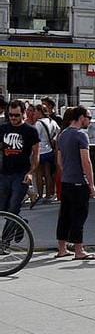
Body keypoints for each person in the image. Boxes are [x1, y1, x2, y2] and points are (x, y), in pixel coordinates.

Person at [56, 106, 95, 260]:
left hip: (66, 180)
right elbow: (86, 161)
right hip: (79, 182)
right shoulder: (81, 135)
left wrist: (67, 170)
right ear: (81, 117)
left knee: (65, 215)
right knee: (79, 216)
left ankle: (62, 248)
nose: (90, 121)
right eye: (89, 118)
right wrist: (91, 184)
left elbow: (59, 161)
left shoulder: (63, 134)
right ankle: (79, 250)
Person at [0, 100, 40, 247]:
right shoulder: (3, 128)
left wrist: (31, 172)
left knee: (13, 208)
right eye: (10, 115)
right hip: (4, 174)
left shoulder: (30, 131)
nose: (13, 118)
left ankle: (4, 243)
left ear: (23, 113)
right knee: (2, 209)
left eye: (16, 115)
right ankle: (21, 222)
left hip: (21, 174)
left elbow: (36, 154)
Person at [32, 104, 60, 206]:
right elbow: (59, 131)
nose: (34, 114)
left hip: (41, 151)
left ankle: (40, 195)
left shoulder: (38, 124)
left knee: (39, 174)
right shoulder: (52, 121)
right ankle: (48, 195)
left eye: (35, 111)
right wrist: (53, 140)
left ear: (40, 112)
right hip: (49, 151)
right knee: (48, 174)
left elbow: (34, 138)